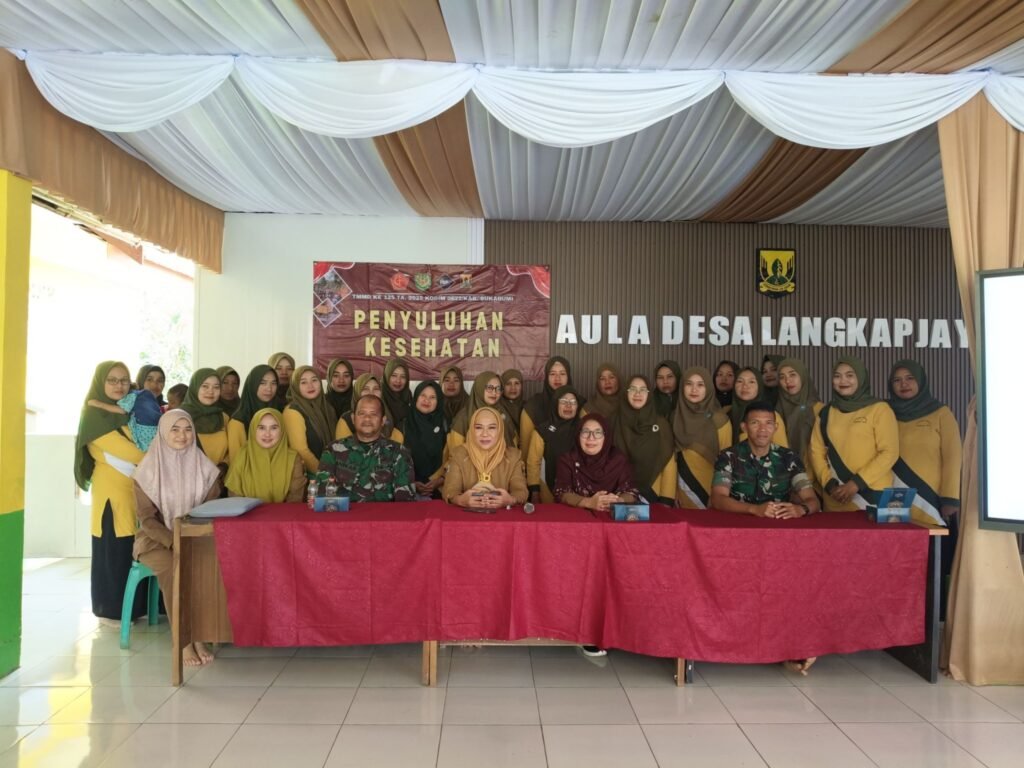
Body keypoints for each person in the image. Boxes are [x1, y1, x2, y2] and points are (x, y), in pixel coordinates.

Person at [133, 409, 221, 665]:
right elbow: (146, 518)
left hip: (196, 537)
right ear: (163, 432)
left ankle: (200, 635)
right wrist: (173, 540)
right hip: (156, 541)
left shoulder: (206, 469)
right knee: (176, 569)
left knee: (205, 567)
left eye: (188, 429)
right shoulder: (146, 472)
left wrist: (192, 537)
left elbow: (211, 509)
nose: (182, 435)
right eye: (175, 429)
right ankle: (183, 640)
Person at [75, 361, 147, 624]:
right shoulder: (94, 416)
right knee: (113, 550)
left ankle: (134, 608)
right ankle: (110, 609)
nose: (119, 385)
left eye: (124, 380)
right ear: (100, 382)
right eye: (112, 380)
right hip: (112, 496)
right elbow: (135, 452)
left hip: (135, 493)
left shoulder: (127, 412)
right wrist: (150, 455)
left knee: (131, 549)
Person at [810, 357, 899, 512]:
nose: (843, 380)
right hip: (836, 495)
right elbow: (816, 451)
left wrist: (856, 484)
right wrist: (829, 484)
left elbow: (889, 452)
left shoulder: (879, 409)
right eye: (837, 376)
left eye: (850, 375)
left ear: (861, 378)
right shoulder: (826, 413)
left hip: (873, 494)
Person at [711, 402, 820, 518]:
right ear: (744, 427)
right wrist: (754, 509)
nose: (762, 429)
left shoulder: (789, 458)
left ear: (775, 427)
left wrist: (801, 509)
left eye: (769, 423)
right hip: (737, 523)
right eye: (755, 423)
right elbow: (718, 499)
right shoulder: (728, 456)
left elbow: (812, 500)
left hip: (778, 524)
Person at [887, 360, 962, 525]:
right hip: (894, 495)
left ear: (920, 380)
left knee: (931, 539)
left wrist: (950, 498)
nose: (904, 384)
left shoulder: (941, 413)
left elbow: (953, 457)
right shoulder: (884, 412)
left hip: (931, 496)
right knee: (896, 538)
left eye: (910, 378)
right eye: (897, 380)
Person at [318, 395, 416, 502]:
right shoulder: (333, 450)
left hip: (383, 513)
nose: (367, 418)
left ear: (383, 420)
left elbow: (405, 503)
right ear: (353, 418)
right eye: (362, 413)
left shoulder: (399, 452)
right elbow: (323, 496)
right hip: (344, 512)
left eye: (373, 414)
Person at [443, 406, 529, 508]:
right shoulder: (459, 454)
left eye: (492, 428)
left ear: (500, 430)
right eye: (478, 427)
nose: (485, 434)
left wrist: (510, 500)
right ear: (471, 430)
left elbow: (521, 491)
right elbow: (450, 490)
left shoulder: (513, 456)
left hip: (502, 516)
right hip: (468, 516)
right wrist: (461, 500)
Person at [673, 366, 732, 509]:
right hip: (680, 493)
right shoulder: (674, 417)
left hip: (711, 492)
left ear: (708, 388)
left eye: (700, 385)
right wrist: (671, 491)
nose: (694, 389)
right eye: (689, 384)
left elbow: (727, 463)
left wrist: (719, 495)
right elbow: (670, 458)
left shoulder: (720, 420)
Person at [615, 375, 677, 505]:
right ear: (626, 392)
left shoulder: (661, 424)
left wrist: (666, 500)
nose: (637, 393)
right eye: (633, 389)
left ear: (649, 394)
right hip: (619, 495)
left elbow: (668, 461)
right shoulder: (614, 421)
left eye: (643, 389)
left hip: (654, 494)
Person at [555, 414, 638, 511]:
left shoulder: (618, 460)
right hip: (576, 515)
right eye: (586, 432)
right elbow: (562, 493)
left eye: (598, 433)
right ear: (578, 435)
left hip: (609, 515)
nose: (591, 438)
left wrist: (618, 501)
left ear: (606, 436)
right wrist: (589, 502)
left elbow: (631, 492)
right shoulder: (568, 460)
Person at [225, 408, 305, 502]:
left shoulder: (293, 458)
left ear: (282, 430)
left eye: (274, 428)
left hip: (284, 511)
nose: (267, 434)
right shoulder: (243, 455)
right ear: (253, 429)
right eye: (261, 428)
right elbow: (234, 497)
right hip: (248, 511)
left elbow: (295, 498)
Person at [526, 385, 582, 504]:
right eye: (564, 401)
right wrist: (534, 492)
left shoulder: (585, 429)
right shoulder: (542, 431)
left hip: (580, 492)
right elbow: (533, 462)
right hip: (548, 490)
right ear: (555, 404)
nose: (568, 406)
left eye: (573, 402)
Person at [776, 358, 824, 483]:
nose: (787, 381)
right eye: (782, 377)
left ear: (803, 376)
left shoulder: (819, 409)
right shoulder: (775, 411)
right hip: (781, 480)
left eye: (792, 375)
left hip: (814, 481)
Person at [282, 365, 337, 474]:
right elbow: (301, 451)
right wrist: (324, 473)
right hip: (311, 476)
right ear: (296, 386)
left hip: (332, 471)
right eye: (303, 382)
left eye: (314, 380)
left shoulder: (327, 408)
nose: (310, 386)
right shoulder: (292, 411)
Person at [401, 381, 448, 498]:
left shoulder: (445, 424)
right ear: (416, 397)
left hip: (440, 491)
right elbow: (394, 459)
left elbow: (454, 456)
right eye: (423, 395)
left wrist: (441, 479)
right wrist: (411, 482)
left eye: (432, 397)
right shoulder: (403, 424)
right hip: (408, 491)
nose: (427, 400)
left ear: (438, 401)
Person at [180, 368, 232, 475]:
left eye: (216, 387)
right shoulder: (180, 417)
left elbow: (230, 450)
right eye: (205, 386)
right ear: (195, 387)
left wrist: (223, 466)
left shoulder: (224, 418)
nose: (211, 391)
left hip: (219, 478)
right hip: (187, 478)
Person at [88, 382, 162, 453]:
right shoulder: (144, 394)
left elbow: (122, 410)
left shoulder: (131, 395)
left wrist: (99, 404)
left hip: (146, 430)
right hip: (158, 428)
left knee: (148, 452)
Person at [448, 371, 513, 452]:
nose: (494, 392)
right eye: (489, 388)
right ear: (479, 388)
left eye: (498, 388)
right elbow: (455, 452)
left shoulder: (503, 412)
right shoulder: (464, 417)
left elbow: (513, 443)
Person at [521, 356, 573, 454]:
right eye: (552, 374)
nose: (557, 378)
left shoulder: (579, 405)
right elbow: (526, 448)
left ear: (568, 376)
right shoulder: (533, 406)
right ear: (546, 377)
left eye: (562, 373)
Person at [227, 365, 278, 461]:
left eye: (273, 383)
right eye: (262, 383)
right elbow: (237, 462)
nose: (269, 388)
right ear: (252, 384)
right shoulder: (238, 423)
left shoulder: (278, 414)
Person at [335, 373, 405, 443]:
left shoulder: (389, 415)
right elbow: (342, 447)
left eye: (376, 389)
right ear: (357, 391)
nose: (371, 393)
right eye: (365, 389)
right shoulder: (347, 420)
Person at [729, 367, 788, 448]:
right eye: (740, 381)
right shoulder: (726, 413)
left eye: (751, 382)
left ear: (759, 386)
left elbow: (782, 451)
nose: (745, 386)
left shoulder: (770, 415)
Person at [587, 363, 622, 430]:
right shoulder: (588, 408)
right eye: (602, 379)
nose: (607, 382)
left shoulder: (628, 405)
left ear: (619, 380)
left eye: (611, 377)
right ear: (598, 383)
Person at [381, 357, 414, 426]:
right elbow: (382, 422)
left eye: (403, 376)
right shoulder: (379, 396)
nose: (398, 380)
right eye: (394, 375)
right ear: (387, 375)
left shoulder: (407, 395)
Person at [498, 368, 524, 446]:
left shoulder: (528, 407)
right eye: (508, 384)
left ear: (522, 386)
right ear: (502, 387)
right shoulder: (497, 408)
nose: (513, 388)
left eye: (517, 383)